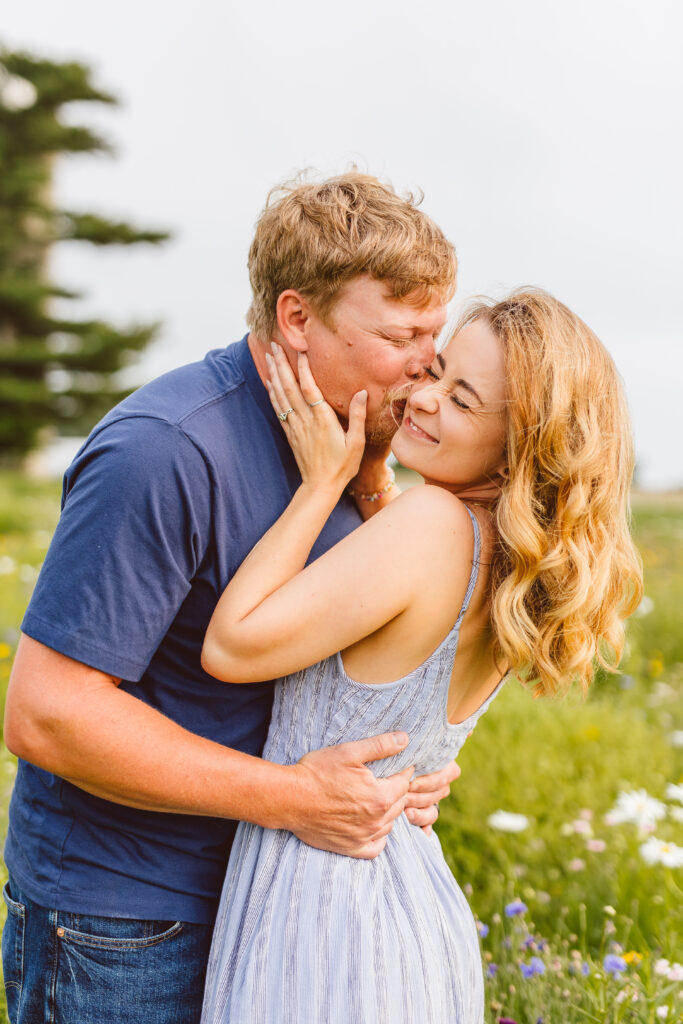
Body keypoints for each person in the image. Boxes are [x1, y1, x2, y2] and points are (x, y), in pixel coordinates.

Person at [1, 173, 460, 1024]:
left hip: (272, 899)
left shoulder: (354, 444)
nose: (428, 364)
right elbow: (46, 713)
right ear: (296, 318)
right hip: (127, 923)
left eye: (437, 332)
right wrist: (295, 797)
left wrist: (402, 776)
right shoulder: (165, 451)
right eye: (401, 334)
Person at [199, 290, 643, 1023]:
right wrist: (376, 485)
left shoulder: (431, 524)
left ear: (520, 443)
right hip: (409, 903)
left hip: (327, 911)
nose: (424, 399)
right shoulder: (514, 566)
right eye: (433, 370)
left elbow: (231, 645)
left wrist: (322, 484)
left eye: (461, 399)